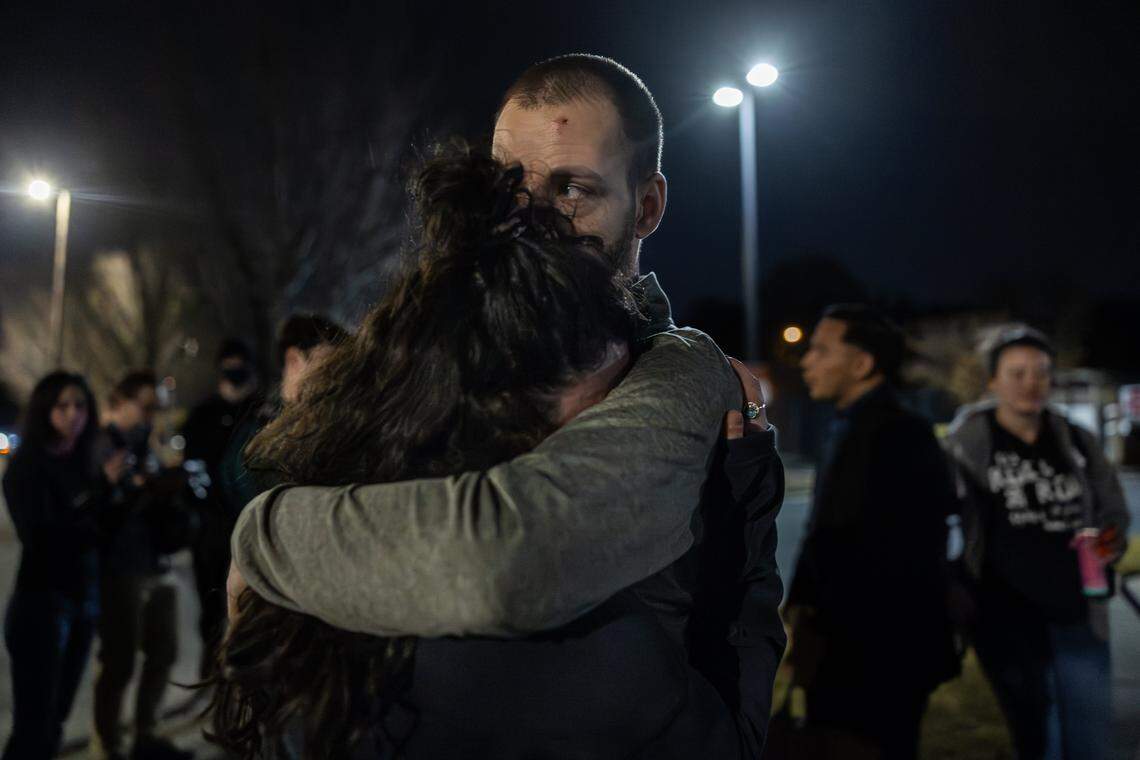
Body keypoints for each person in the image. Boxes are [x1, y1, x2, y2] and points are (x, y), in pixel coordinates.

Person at [227, 53, 785, 750]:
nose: (530, 217)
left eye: (571, 189)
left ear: (647, 205)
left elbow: (515, 551)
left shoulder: (676, 373)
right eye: (509, 184)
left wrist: (265, 538)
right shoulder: (422, 352)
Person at [943, 325, 1130, 760]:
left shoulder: (1076, 439)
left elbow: (1113, 508)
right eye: (1018, 373)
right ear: (993, 382)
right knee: (1034, 740)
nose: (1031, 383)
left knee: (1090, 742)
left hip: (1078, 613)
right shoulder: (969, 441)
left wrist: (1110, 540)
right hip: (1005, 617)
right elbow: (945, 516)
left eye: (1042, 373)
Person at [783, 304, 959, 759]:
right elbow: (824, 528)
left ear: (862, 364)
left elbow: (908, 555)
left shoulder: (903, 436)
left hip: (879, 658)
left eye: (822, 350)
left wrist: (822, 621)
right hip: (841, 649)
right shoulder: (845, 425)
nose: (807, 361)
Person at [2, 372, 123, 760]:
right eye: (63, 405)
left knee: (55, 720)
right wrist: (100, 491)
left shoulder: (84, 461)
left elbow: (100, 531)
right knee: (32, 728)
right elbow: (41, 538)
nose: (73, 414)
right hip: (41, 605)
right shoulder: (26, 467)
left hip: (82, 601)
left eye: (81, 405)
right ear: (45, 410)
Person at [91, 370, 194, 760]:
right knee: (118, 662)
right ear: (122, 400)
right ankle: (108, 748)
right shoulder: (103, 445)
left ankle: (144, 736)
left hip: (156, 561)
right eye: (146, 405)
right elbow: (98, 510)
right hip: (121, 568)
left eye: (156, 407)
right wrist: (132, 488)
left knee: (162, 652)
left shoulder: (145, 443)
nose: (152, 413)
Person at [180, 339, 259, 676]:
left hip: (252, 524)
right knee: (212, 599)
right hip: (212, 528)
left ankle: (245, 667)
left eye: (240, 362)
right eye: (229, 362)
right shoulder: (201, 416)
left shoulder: (260, 412)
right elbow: (192, 468)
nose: (234, 369)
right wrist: (206, 505)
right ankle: (211, 666)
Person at [216, 314, 348, 514]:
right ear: (294, 359)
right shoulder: (265, 437)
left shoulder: (274, 423)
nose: (340, 378)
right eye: (331, 366)